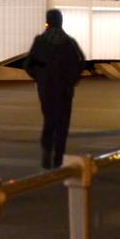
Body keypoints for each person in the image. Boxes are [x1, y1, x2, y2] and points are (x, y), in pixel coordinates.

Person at [24, 9, 86, 169]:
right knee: (62, 124)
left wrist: (40, 76)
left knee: (49, 121)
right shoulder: (69, 42)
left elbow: (28, 64)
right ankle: (58, 158)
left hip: (46, 90)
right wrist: (73, 79)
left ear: (48, 21)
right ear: (61, 22)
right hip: (65, 90)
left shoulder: (40, 41)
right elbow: (81, 61)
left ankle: (46, 153)